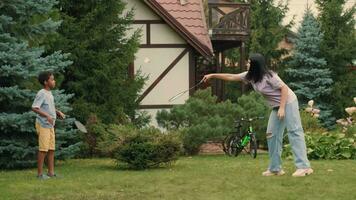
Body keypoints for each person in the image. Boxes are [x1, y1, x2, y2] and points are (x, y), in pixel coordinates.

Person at [202, 53, 313, 177]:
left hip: (288, 102)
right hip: (277, 106)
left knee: (294, 131)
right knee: (271, 135)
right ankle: (275, 168)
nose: (247, 64)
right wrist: (212, 75)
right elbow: (231, 76)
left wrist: (282, 108)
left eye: (249, 62)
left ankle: (304, 167)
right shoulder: (250, 76)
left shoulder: (269, 76)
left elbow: (284, 89)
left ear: (255, 65)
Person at [32, 71, 65, 179]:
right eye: (52, 79)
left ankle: (51, 173)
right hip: (43, 124)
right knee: (43, 150)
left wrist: (57, 112)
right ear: (46, 82)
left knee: (51, 149)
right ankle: (40, 174)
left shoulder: (49, 93)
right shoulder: (41, 92)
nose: (54, 81)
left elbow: (49, 107)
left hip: (50, 125)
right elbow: (35, 107)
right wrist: (47, 116)